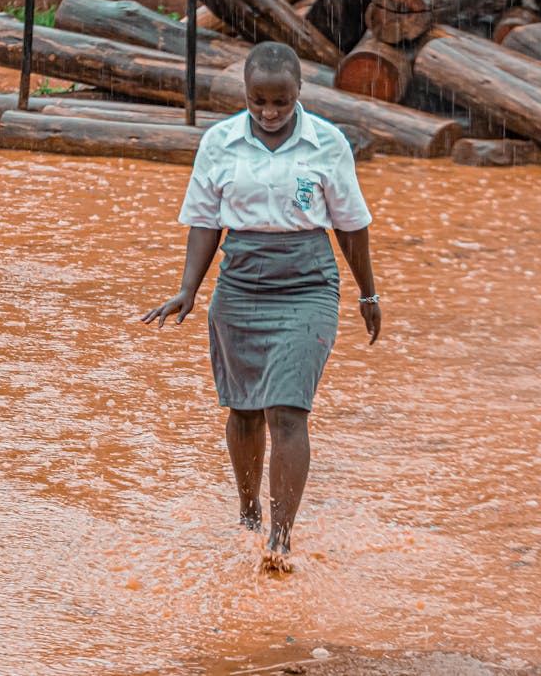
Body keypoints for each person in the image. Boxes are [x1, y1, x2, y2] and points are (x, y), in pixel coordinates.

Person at [142, 41, 381, 572]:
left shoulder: (328, 143)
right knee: (244, 409)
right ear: (245, 95)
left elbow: (351, 224)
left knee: (288, 410)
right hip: (240, 285)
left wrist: (368, 292)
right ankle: (248, 516)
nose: (269, 112)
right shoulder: (220, 142)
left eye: (280, 101)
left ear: (300, 93)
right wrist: (188, 288)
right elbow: (205, 219)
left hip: (307, 285)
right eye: (258, 101)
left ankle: (280, 539)